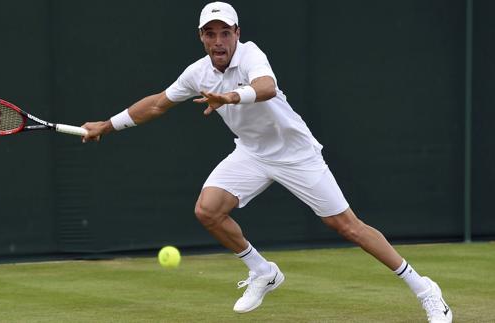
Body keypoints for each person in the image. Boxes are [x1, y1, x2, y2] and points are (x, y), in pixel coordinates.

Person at [81, 2, 452, 322]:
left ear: (236, 33)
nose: (218, 41)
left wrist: (231, 97)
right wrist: (107, 125)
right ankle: (263, 271)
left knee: (347, 226)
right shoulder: (197, 73)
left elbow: (266, 87)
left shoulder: (252, 54)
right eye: (209, 34)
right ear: (201, 38)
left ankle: (425, 290)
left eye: (224, 32)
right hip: (253, 153)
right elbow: (159, 103)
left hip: (295, 153)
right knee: (208, 210)